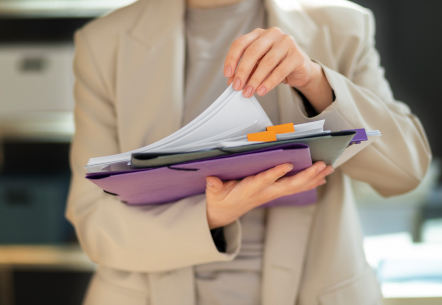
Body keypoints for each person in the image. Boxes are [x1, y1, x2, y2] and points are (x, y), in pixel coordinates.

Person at [66, 0, 431, 304]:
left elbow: (407, 173)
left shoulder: (341, 25)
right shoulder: (104, 43)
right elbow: (94, 223)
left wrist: (314, 81)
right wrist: (211, 214)